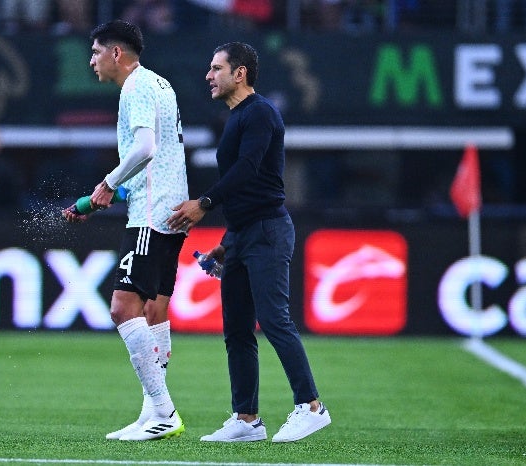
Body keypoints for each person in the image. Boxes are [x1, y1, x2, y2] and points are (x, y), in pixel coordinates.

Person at [166, 42, 331, 443]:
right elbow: (248, 187)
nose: (209, 75)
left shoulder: (259, 112)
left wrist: (205, 203)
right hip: (244, 235)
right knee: (237, 330)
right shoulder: (240, 117)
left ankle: (311, 406)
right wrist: (228, 241)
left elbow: (249, 169)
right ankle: (246, 419)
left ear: (240, 74)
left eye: (217, 68)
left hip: (268, 232)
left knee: (275, 320)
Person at [62, 19, 188, 441]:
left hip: (151, 215)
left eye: (96, 52)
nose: (91, 60)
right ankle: (152, 413)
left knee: (121, 308)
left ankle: (164, 412)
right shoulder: (160, 84)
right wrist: (98, 200)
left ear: (117, 53)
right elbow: (155, 159)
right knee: (153, 310)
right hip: (170, 210)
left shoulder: (135, 88)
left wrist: (108, 184)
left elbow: (146, 148)